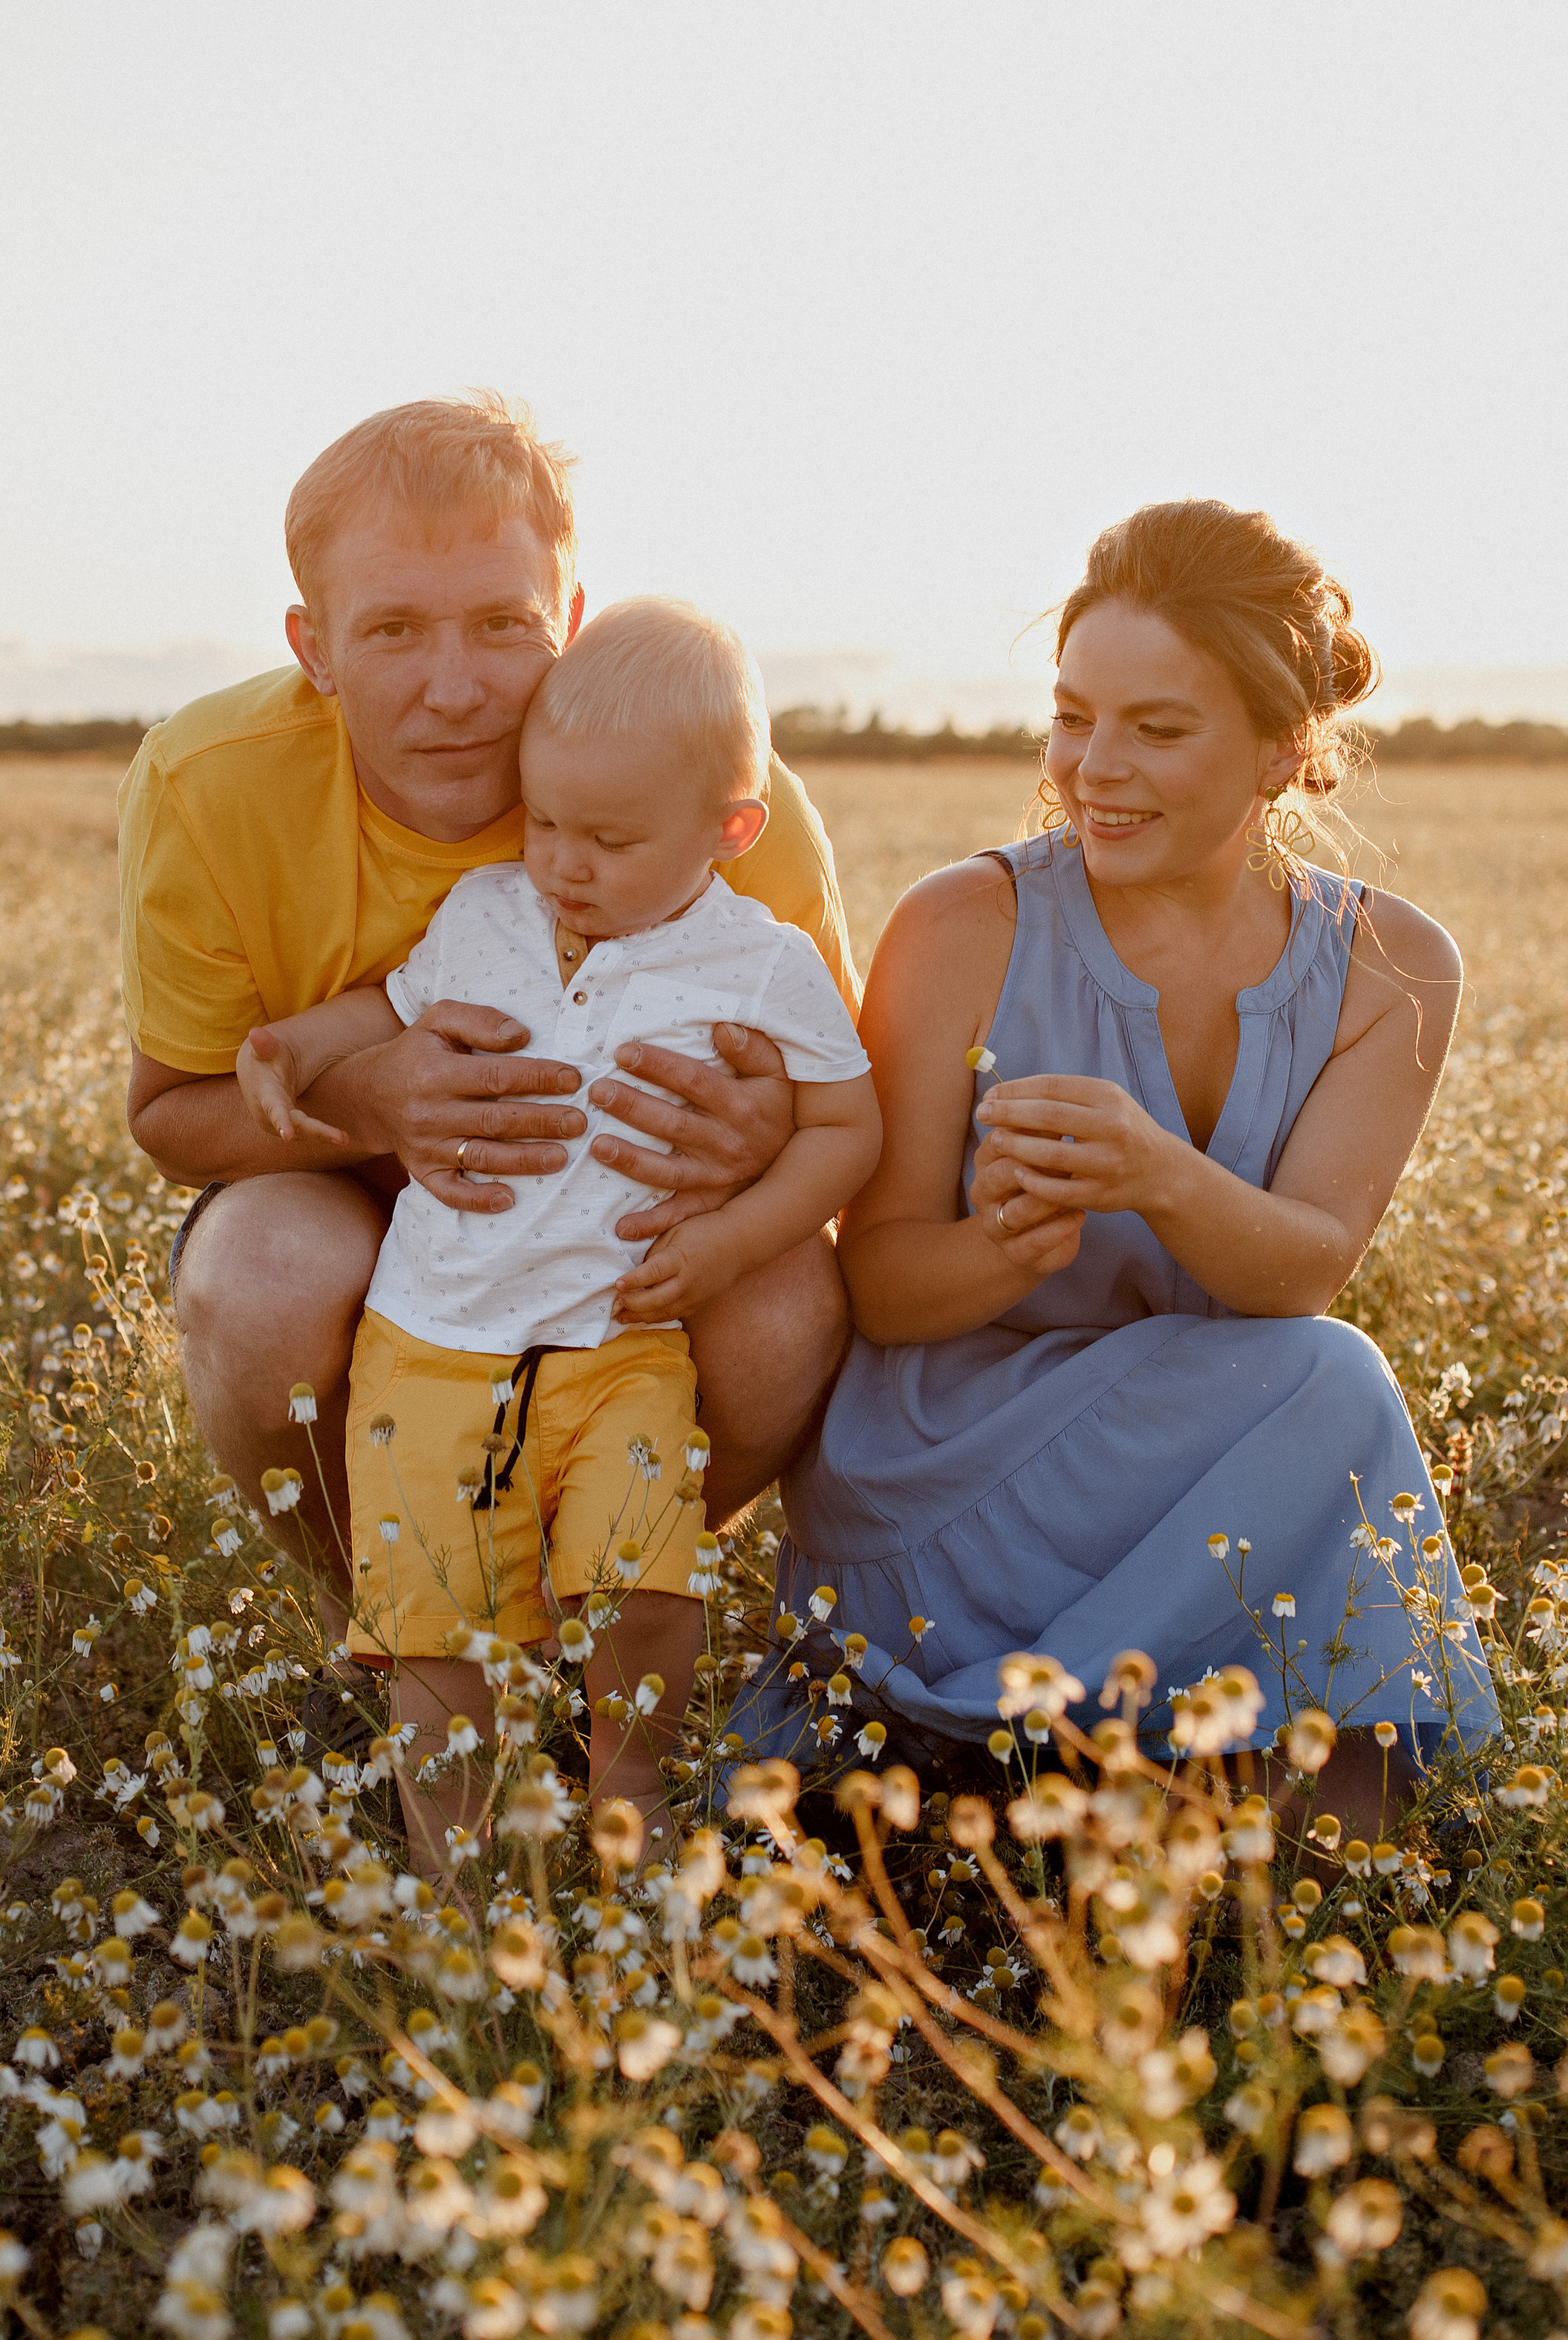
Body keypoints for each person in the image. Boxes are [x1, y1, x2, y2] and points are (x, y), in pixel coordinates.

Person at [745, 499, 1495, 1835]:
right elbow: (879, 1289)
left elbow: (1303, 1276)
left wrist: (1158, 1174)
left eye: (1157, 728)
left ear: (1283, 746)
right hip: (946, 1478)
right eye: (1073, 716)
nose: (1095, 768)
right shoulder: (964, 923)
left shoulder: (1394, 969)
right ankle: (1247, 1809)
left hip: (1204, 1473)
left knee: (1325, 1381)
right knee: (1335, 1392)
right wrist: (1002, 1250)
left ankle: (1313, 1871)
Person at [120, 394, 859, 1597]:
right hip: (351, 1217)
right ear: (314, 647)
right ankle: (380, 1617)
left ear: (570, 619)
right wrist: (369, 1105)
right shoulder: (207, 784)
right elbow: (170, 1120)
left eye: (504, 625)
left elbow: (844, 1115)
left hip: (628, 1235)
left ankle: (599, 1609)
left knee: (788, 1302)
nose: (455, 690)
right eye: (394, 630)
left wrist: (762, 1134)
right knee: (261, 1276)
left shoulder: (711, 789)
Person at [238, 597, 880, 1870]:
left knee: (643, 1590)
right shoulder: (487, 912)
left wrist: (738, 1240)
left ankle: (623, 1802)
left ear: (731, 831)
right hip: (432, 1336)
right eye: (542, 822)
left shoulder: (761, 963)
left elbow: (846, 1128)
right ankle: (455, 1879)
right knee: (439, 1639)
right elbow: (389, 1009)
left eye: (611, 839)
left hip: (624, 1338)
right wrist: (295, 1048)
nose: (564, 864)